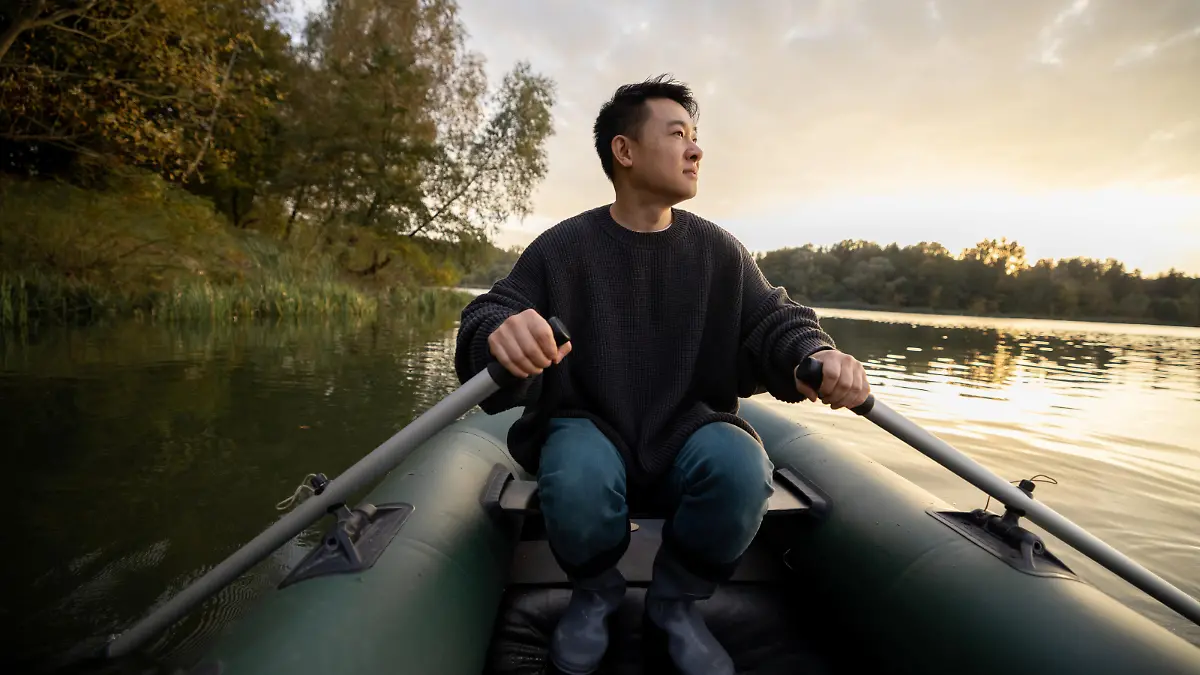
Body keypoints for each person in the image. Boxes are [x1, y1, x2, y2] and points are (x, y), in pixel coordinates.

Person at [454, 75, 871, 675]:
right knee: (575, 477)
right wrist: (501, 330)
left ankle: (675, 601)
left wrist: (818, 353)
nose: (696, 150)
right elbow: (490, 312)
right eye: (678, 134)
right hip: (586, 420)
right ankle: (595, 591)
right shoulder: (562, 247)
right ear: (624, 151)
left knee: (740, 468)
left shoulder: (720, 252)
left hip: (688, 424)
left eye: (695, 136)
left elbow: (777, 321)